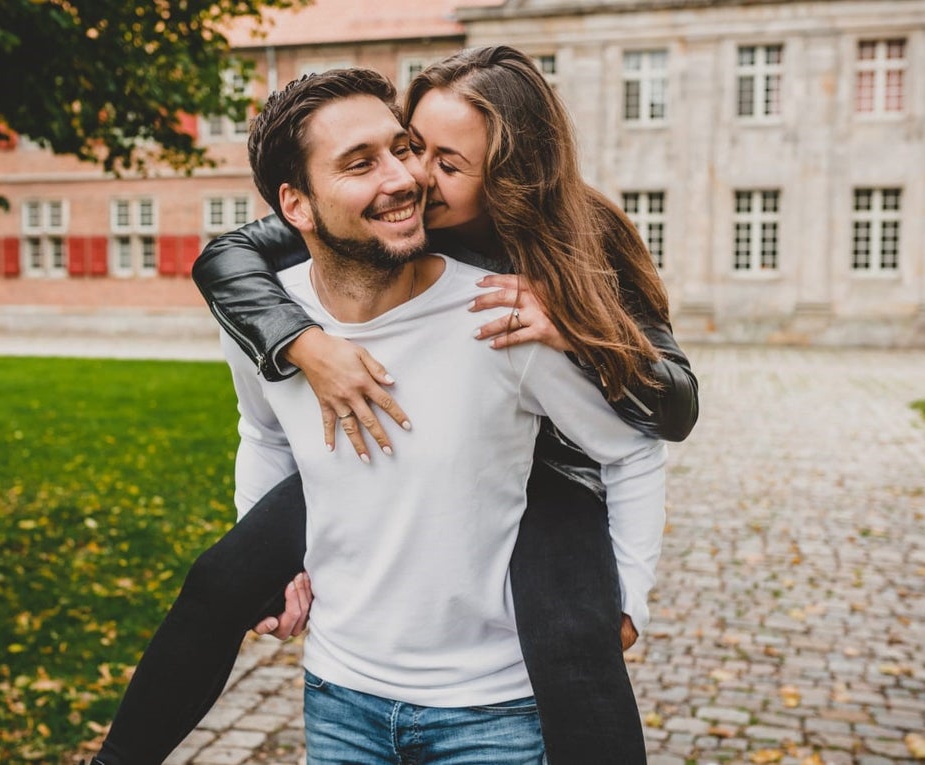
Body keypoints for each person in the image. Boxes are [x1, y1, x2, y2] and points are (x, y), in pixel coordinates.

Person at [93, 46, 696, 765]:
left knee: (574, 643)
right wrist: (300, 341)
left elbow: (666, 414)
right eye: (414, 145)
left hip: (549, 473)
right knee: (222, 580)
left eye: (447, 162)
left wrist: (580, 333)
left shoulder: (569, 250)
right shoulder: (366, 219)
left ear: (509, 177)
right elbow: (230, 261)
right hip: (362, 608)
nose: (414, 175)